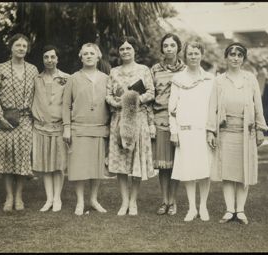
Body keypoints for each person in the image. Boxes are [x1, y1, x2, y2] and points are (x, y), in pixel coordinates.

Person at [206, 42, 268, 224]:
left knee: (244, 171)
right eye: (232, 54)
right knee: (227, 172)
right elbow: (213, 107)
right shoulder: (219, 81)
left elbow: (258, 105)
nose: (235, 58)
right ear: (226, 57)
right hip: (226, 131)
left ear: (243, 58)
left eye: (239, 55)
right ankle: (229, 209)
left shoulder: (251, 79)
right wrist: (211, 131)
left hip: (246, 131)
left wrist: (260, 129)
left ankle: (240, 210)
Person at [0, 33, 38, 212]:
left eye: (24, 46)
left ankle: (19, 197)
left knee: (22, 158)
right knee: (7, 158)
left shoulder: (32, 70)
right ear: (11, 47)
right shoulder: (0, 69)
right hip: (5, 119)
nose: (21, 48)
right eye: (18, 45)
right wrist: (0, 118)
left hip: (25, 120)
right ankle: (9, 197)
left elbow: (37, 95)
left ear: (28, 49)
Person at [106, 36, 155, 216]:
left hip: (137, 119)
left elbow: (151, 92)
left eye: (128, 48)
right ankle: (124, 201)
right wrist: (118, 102)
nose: (125, 51)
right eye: (122, 49)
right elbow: (108, 96)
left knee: (135, 162)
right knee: (121, 162)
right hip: (119, 119)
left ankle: (133, 202)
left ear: (134, 50)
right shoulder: (113, 72)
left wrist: (133, 99)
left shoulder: (143, 70)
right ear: (119, 52)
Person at [169, 41, 214, 221]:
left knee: (204, 170)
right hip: (185, 130)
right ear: (185, 56)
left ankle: (203, 206)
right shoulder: (178, 79)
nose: (193, 57)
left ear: (201, 54)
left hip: (204, 131)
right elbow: (172, 108)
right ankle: (192, 208)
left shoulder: (210, 79)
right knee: (187, 169)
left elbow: (213, 106)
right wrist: (174, 131)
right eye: (190, 54)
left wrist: (212, 131)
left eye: (196, 53)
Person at [62, 43, 109, 216]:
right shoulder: (73, 78)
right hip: (79, 128)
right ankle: (80, 201)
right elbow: (66, 105)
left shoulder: (106, 78)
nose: (89, 56)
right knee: (79, 167)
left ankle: (94, 199)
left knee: (96, 168)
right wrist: (66, 128)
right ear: (80, 57)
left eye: (92, 53)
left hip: (99, 128)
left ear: (98, 57)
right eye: (85, 54)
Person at [151, 33, 185, 216]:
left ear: (178, 47)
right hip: (160, 120)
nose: (169, 48)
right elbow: (149, 96)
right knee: (164, 166)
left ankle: (174, 201)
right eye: (166, 45)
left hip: (180, 121)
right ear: (162, 49)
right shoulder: (155, 69)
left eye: (172, 45)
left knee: (176, 164)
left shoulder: (186, 70)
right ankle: (164, 201)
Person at [32, 45, 69, 212]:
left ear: (57, 59)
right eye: (46, 57)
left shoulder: (67, 78)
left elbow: (71, 103)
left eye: (52, 57)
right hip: (40, 127)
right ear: (43, 59)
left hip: (59, 127)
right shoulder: (36, 79)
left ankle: (57, 198)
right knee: (46, 165)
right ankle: (48, 199)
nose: (49, 60)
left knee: (58, 165)